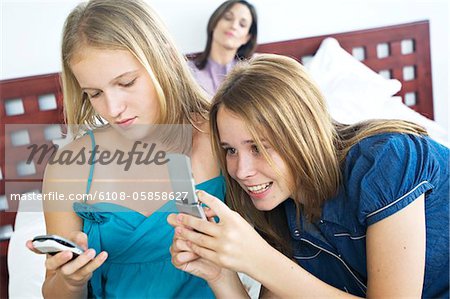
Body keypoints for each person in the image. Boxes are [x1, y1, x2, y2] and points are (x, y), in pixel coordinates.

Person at [168, 54, 449, 298]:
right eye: (230, 150)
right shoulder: (282, 215)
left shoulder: (387, 160)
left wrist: (259, 259)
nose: (241, 171)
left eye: (258, 147)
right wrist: (221, 276)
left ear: (302, 134)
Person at [25, 0, 225, 298]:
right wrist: (71, 280)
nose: (113, 109)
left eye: (127, 82)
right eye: (94, 94)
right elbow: (54, 290)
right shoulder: (69, 166)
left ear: (165, 58)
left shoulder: (224, 137)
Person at [188, 0, 257, 97]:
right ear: (214, 23)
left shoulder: (253, 69)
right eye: (228, 18)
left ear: (247, 38)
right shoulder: (189, 72)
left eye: (242, 25)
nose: (234, 26)